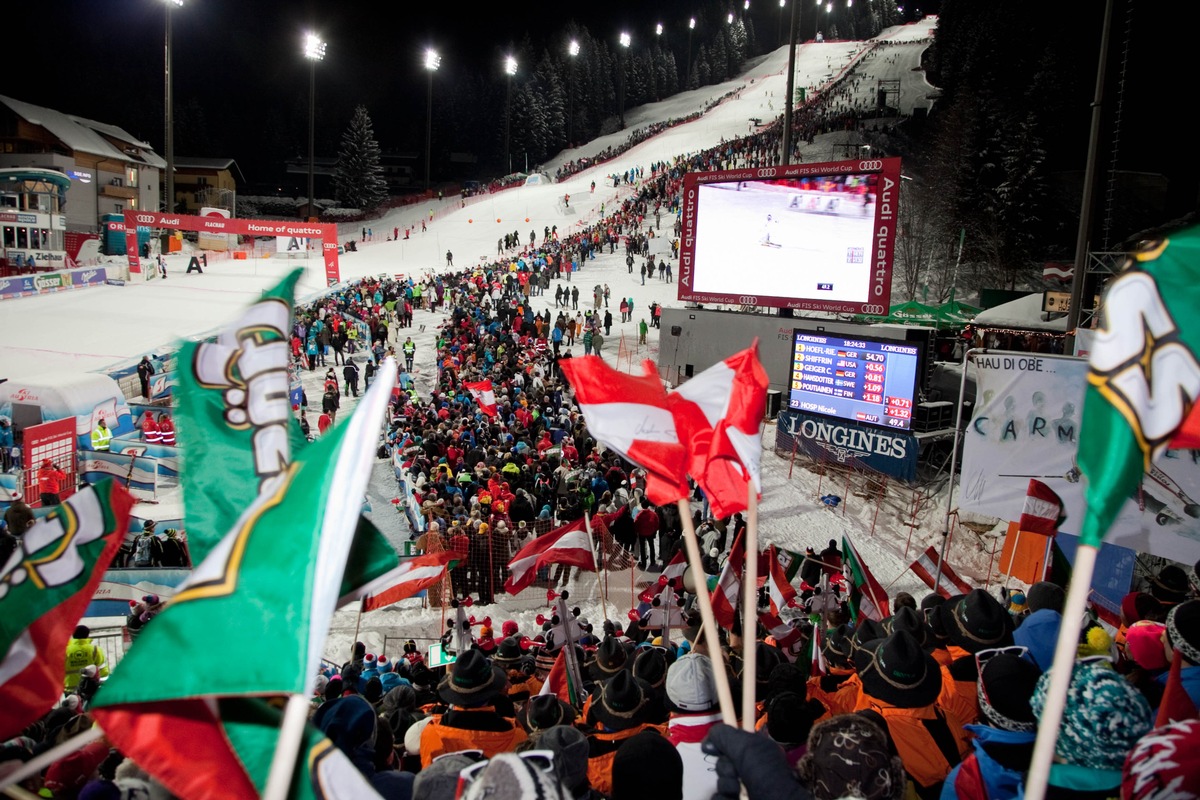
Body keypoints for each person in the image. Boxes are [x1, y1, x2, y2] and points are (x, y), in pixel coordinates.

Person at [64, 625, 108, 692]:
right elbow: (103, 671)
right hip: (90, 688)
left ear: (73, 635)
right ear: (87, 635)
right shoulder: (95, 649)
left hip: (70, 689)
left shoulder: (65, 650)